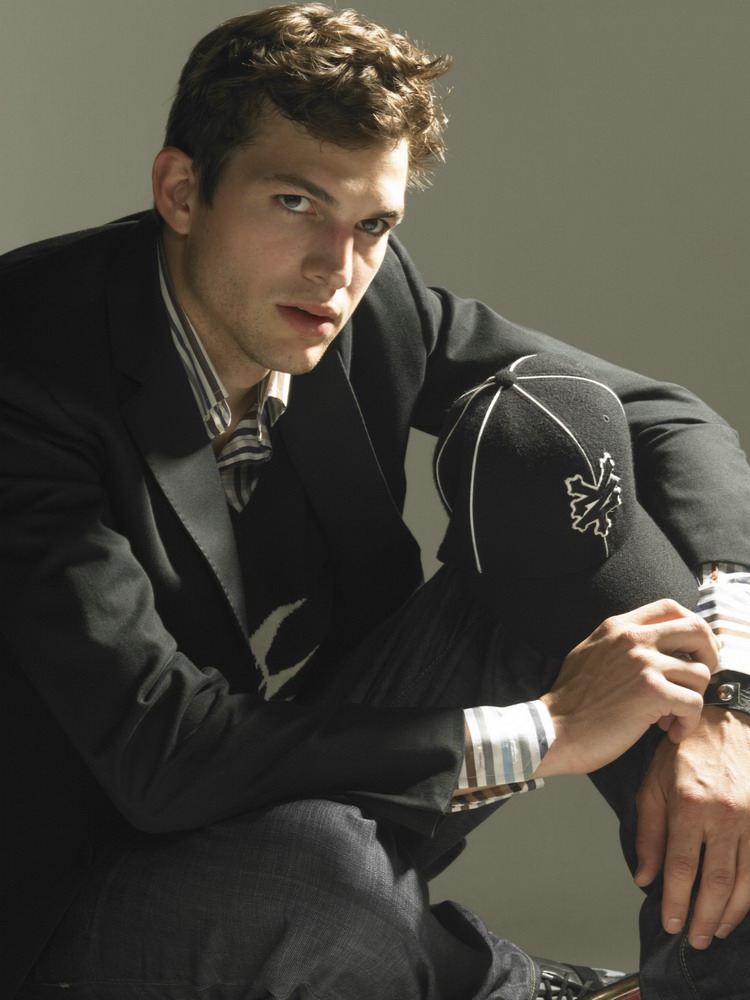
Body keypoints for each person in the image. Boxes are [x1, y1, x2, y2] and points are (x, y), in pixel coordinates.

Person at [1, 4, 749, 998]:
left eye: (373, 224)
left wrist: (731, 700)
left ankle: (711, 975)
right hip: (81, 882)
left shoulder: (362, 295)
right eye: (294, 203)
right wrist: (550, 730)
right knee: (318, 875)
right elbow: (163, 758)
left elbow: (664, 417)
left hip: (298, 776)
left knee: (552, 458)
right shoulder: (27, 370)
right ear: (181, 190)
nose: (337, 267)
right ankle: (521, 988)